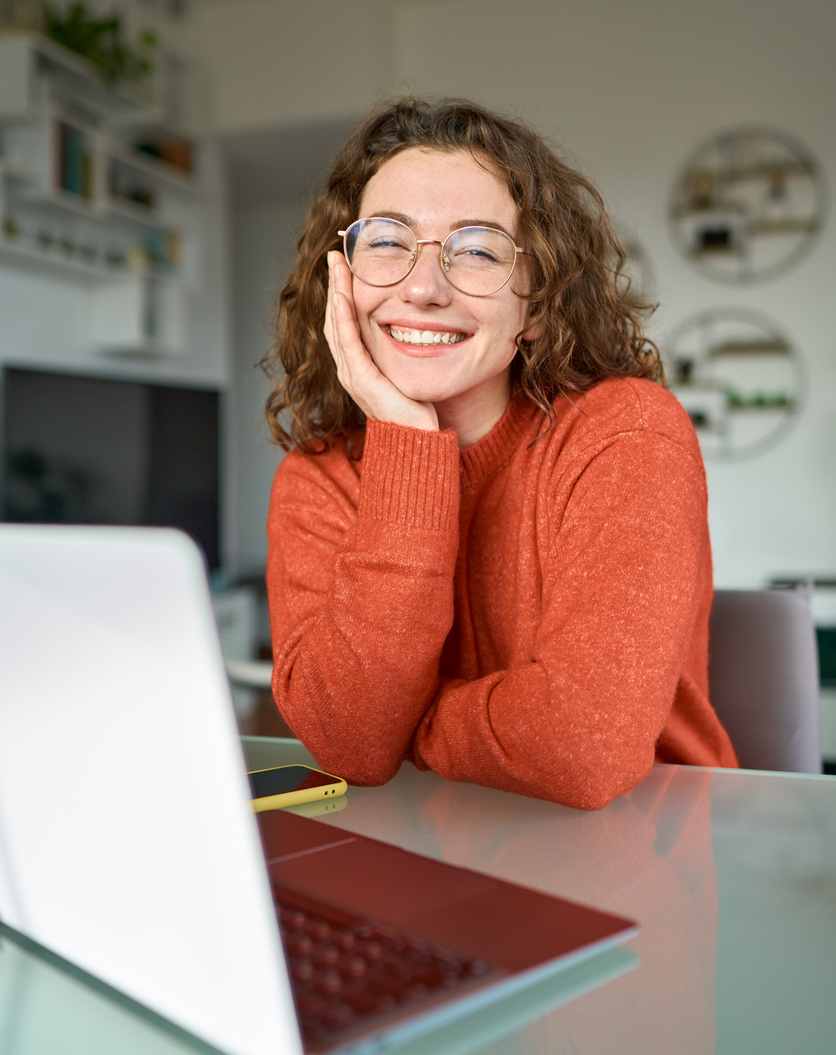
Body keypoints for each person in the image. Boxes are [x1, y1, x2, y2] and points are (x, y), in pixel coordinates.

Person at [262, 97, 738, 811]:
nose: (423, 288)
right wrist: (410, 449)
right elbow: (351, 744)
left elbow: (581, 751)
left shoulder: (627, 435)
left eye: (478, 249)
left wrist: (406, 724)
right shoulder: (319, 476)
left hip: (639, 864)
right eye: (388, 241)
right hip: (428, 861)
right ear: (343, 276)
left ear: (537, 295)